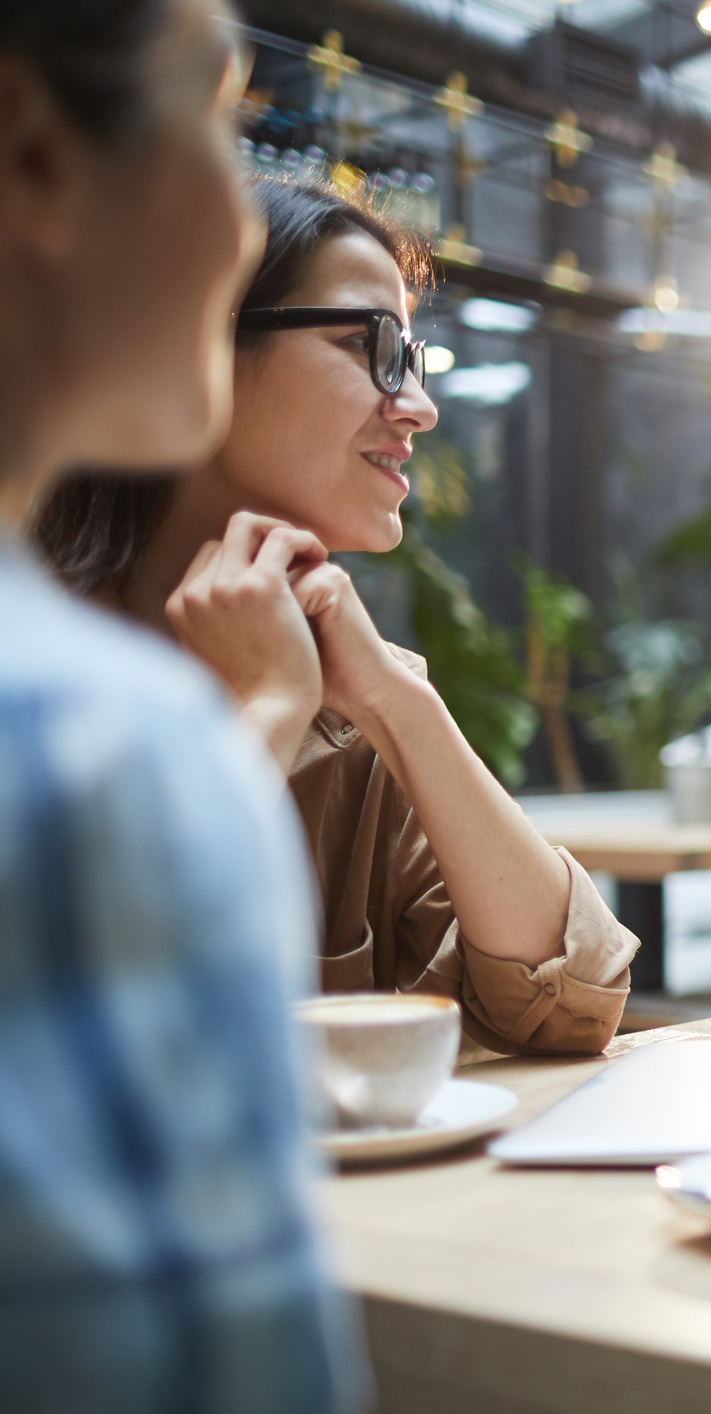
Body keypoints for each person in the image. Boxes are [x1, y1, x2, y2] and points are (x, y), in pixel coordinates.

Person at [34, 178, 638, 1056]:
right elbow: (63, 1025)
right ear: (197, 349)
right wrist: (269, 711)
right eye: (370, 346)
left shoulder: (356, 698)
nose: (420, 407)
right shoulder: (34, 673)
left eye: (413, 359)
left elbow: (567, 1007)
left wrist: (399, 703)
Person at [0, 0, 357, 1408]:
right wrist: (253, 726)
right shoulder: (104, 749)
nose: (235, 219)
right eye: (225, 123)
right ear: (32, 152)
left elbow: (571, 981)